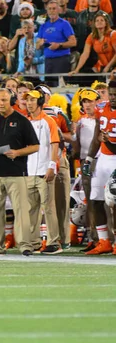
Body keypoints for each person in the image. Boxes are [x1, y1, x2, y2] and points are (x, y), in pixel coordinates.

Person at [0, 88, 40, 255]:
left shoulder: (22, 121)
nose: (1, 103)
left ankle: (25, 245)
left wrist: (17, 153)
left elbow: (35, 146)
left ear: (11, 101)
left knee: (21, 210)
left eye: (4, 100)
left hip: (16, 171)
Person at [24, 88, 62, 254]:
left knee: (48, 207)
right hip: (29, 171)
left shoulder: (49, 121)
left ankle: (54, 242)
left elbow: (55, 144)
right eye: (27, 100)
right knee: (31, 209)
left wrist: (52, 166)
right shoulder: (25, 122)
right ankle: (34, 242)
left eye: (32, 100)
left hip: (44, 170)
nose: (29, 103)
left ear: (40, 102)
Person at [82, 83, 116, 255]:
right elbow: (97, 137)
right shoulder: (102, 109)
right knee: (95, 199)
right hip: (103, 158)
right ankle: (104, 241)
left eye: (115, 94)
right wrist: (89, 159)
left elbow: (108, 141)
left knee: (115, 201)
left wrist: (108, 141)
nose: (113, 97)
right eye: (111, 94)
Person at [72, 88, 100, 250]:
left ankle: (108, 237)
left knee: (106, 201)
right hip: (86, 163)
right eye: (85, 101)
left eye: (90, 101)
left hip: (102, 160)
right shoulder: (81, 121)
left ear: (97, 101)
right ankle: (93, 238)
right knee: (90, 200)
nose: (88, 104)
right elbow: (76, 147)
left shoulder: (102, 118)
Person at [36, 0, 77, 85]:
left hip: (61, 59)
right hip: (47, 60)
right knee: (48, 87)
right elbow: (37, 45)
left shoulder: (64, 24)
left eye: (54, 8)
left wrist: (59, 45)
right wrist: (40, 43)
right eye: (50, 9)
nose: (52, 11)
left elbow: (73, 42)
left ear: (58, 10)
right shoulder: (43, 26)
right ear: (46, 11)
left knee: (60, 86)